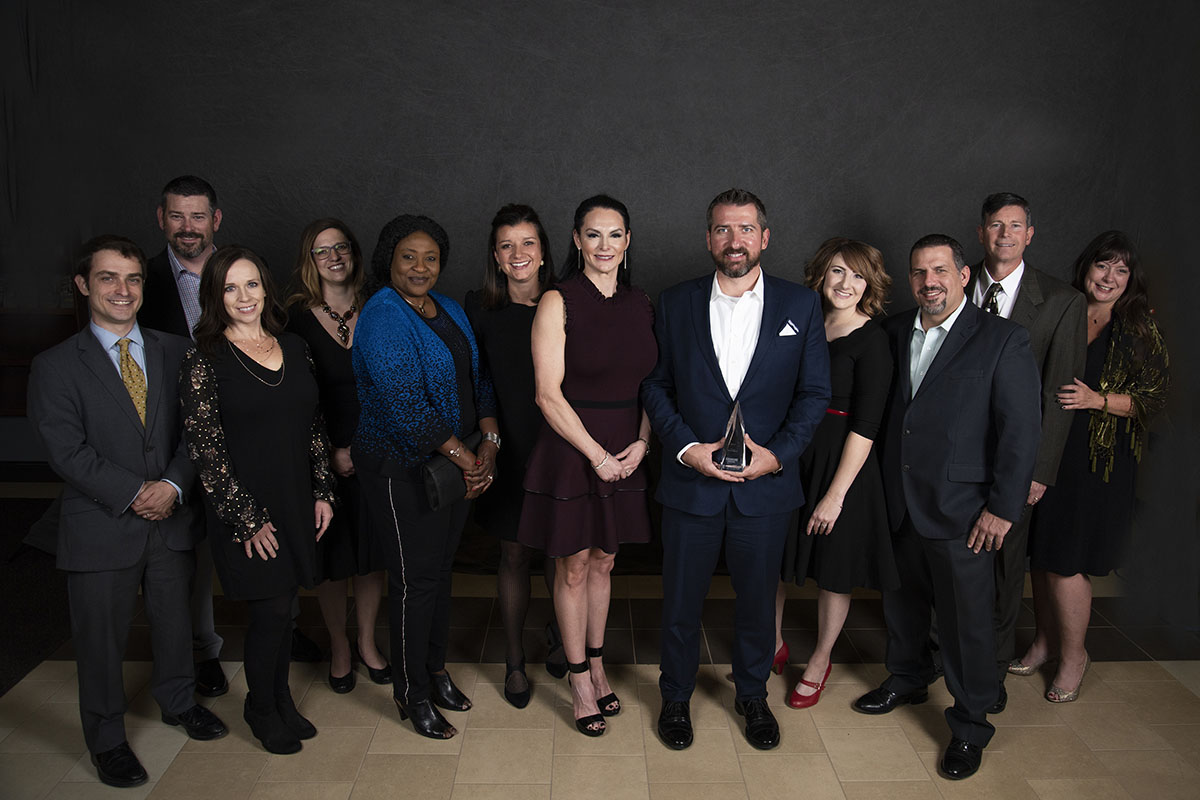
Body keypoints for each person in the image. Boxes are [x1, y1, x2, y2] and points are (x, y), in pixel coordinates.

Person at [27, 236, 228, 788]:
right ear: (84, 285)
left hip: (171, 516)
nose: (123, 290)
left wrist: (171, 485)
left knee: (175, 622)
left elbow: (199, 434)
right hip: (102, 525)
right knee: (99, 641)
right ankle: (108, 740)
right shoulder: (55, 366)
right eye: (109, 278)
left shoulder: (175, 351)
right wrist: (137, 492)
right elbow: (66, 452)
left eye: (133, 279)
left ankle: (178, 701)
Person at [642, 188, 830, 752]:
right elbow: (655, 386)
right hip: (690, 484)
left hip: (764, 490)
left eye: (745, 229)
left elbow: (815, 394)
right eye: (723, 230)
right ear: (708, 239)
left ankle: (752, 695)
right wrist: (684, 449)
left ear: (764, 238)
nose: (734, 240)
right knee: (680, 602)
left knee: (755, 605)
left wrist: (777, 456)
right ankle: (675, 696)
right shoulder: (674, 302)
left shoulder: (800, 306)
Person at [854, 234, 1040, 781]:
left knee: (966, 624)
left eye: (939, 270)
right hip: (899, 500)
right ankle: (908, 678)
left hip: (965, 510)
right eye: (918, 272)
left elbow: (1020, 432)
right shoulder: (889, 332)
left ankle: (970, 723)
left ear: (963, 275)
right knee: (903, 605)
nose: (928, 282)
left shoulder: (1003, 339)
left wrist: (1001, 509)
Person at [179, 246, 335, 755]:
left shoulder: (293, 345)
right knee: (269, 611)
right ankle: (261, 708)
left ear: (265, 288)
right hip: (245, 508)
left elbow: (314, 426)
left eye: (251, 285)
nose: (243, 297)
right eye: (229, 287)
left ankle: (281, 698)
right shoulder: (203, 357)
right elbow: (206, 449)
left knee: (287, 608)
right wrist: (246, 519)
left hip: (296, 498)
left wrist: (323, 491)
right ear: (214, 296)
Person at [353, 214, 498, 740]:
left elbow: (478, 377)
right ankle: (410, 693)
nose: (420, 266)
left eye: (430, 257)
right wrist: (469, 459)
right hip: (401, 469)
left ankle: (435, 672)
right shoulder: (381, 315)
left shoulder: (450, 308)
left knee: (438, 573)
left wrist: (489, 440)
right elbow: (405, 406)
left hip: (455, 465)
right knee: (414, 582)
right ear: (388, 260)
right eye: (408, 257)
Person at [518, 195, 657, 737]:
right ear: (576, 240)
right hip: (573, 449)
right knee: (573, 566)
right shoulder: (558, 300)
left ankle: (598, 665)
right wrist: (596, 456)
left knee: (604, 563)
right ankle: (577, 678)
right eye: (593, 235)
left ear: (628, 241)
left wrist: (643, 443)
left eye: (615, 234)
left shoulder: (642, 302)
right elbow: (546, 395)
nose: (604, 246)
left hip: (628, 447)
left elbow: (654, 386)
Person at [1018, 231, 1169, 702]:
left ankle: (1074, 657)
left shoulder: (1140, 326)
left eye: (1121, 270)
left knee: (1068, 561)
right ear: (1087, 267)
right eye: (1103, 266)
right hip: (1049, 450)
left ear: (1131, 280)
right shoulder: (1063, 309)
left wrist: (1096, 400)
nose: (1109, 278)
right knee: (1042, 556)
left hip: (1098, 460)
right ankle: (1043, 643)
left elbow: (1156, 401)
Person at [970, 193, 1086, 712]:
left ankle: (990, 671)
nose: (1005, 234)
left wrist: (1038, 471)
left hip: (1013, 463)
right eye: (996, 225)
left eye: (1015, 226)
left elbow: (1059, 397)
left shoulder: (1062, 301)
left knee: (1002, 568)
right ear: (981, 233)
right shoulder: (953, 281)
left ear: (1030, 235)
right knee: (942, 560)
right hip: (951, 459)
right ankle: (934, 657)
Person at [774, 237, 898, 709]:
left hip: (844, 466)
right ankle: (773, 642)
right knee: (774, 560)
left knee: (834, 573)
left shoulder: (874, 341)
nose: (846, 283)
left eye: (858, 275)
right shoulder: (803, 322)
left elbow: (867, 426)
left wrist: (835, 495)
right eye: (838, 272)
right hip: (792, 456)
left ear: (870, 284)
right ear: (822, 274)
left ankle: (821, 659)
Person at [464, 204, 566, 708]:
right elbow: (477, 383)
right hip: (505, 444)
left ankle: (559, 635)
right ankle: (514, 662)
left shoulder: (567, 301)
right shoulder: (478, 308)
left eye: (527, 243)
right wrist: (491, 441)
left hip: (561, 442)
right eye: (507, 245)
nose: (518, 253)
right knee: (513, 552)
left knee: (559, 549)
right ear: (496, 258)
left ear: (544, 251)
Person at [286, 218, 391, 694]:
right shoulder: (293, 321)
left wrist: (362, 449)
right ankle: (340, 646)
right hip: (321, 456)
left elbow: (394, 388)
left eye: (342, 247)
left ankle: (367, 643)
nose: (334, 257)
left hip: (377, 449)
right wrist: (329, 454)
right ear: (310, 261)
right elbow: (292, 399)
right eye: (321, 250)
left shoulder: (381, 308)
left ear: (354, 254)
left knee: (371, 555)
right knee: (332, 559)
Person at [138, 175, 231, 697]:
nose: (188, 227)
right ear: (161, 218)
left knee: (263, 528)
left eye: (198, 216)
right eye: (177, 216)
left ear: (215, 219)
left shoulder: (242, 272)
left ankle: (282, 628)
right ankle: (203, 649)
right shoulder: (141, 281)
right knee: (189, 547)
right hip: (176, 433)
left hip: (242, 427)